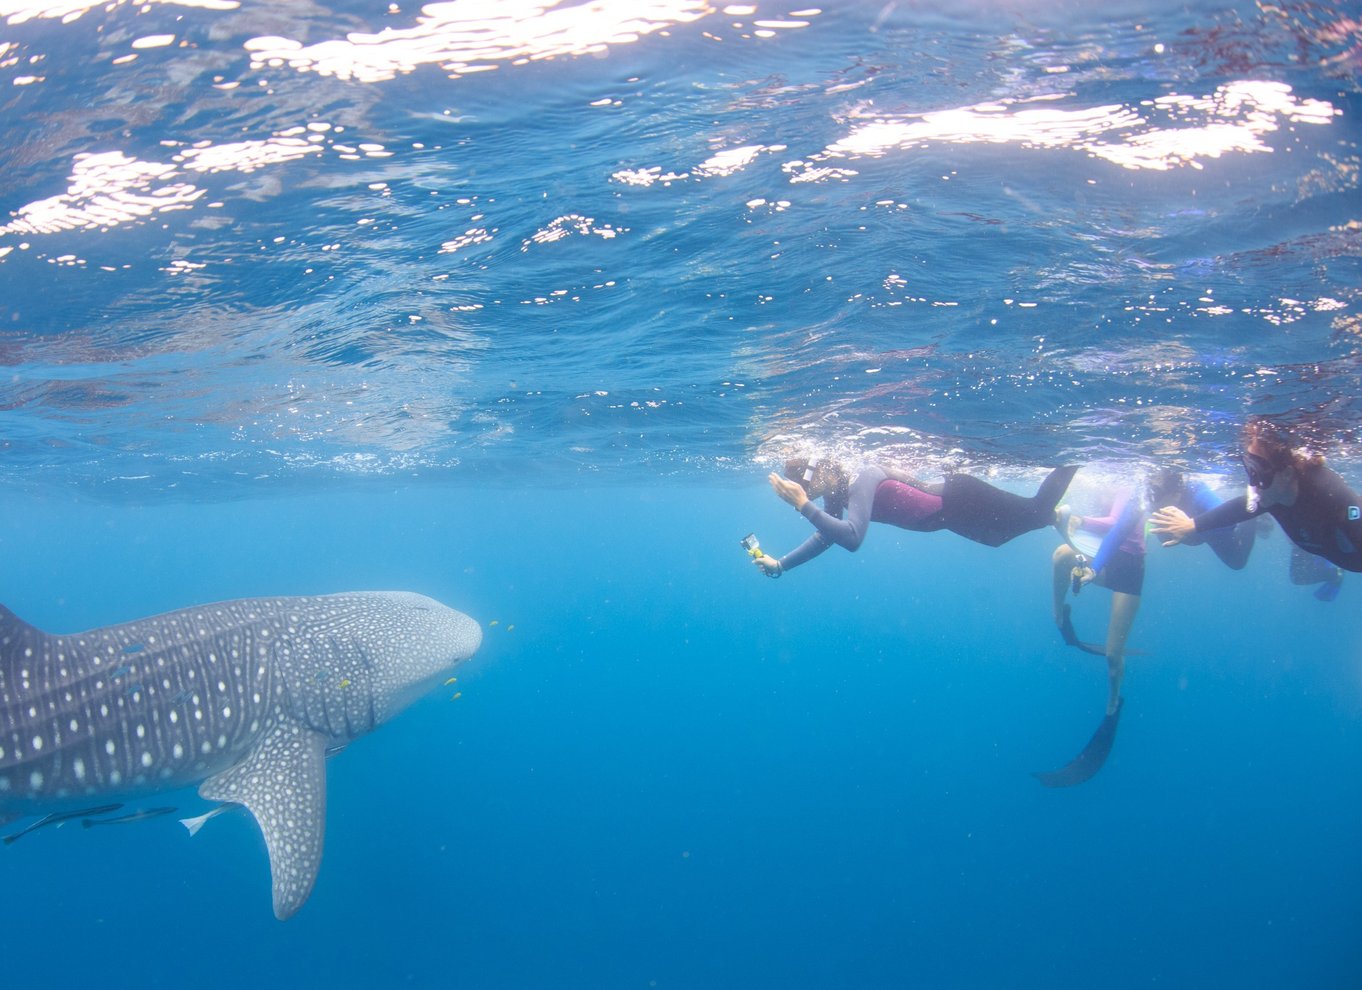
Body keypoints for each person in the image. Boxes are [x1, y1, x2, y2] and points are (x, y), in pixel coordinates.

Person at [751, 457, 1077, 576]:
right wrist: (781, 565)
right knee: (998, 538)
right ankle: (1056, 517)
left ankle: (1072, 458)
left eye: (808, 484)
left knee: (1035, 511)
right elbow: (828, 535)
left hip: (962, 498)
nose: (810, 491)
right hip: (950, 517)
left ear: (821, 466)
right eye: (804, 488)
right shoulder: (837, 493)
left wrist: (804, 505)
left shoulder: (862, 477)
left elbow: (852, 539)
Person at [1150, 418, 1362, 574]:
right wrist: (1191, 525)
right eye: (1248, 468)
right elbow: (1239, 509)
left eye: (1259, 472)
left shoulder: (1331, 498)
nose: (1252, 484)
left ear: (1287, 473)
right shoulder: (1273, 494)